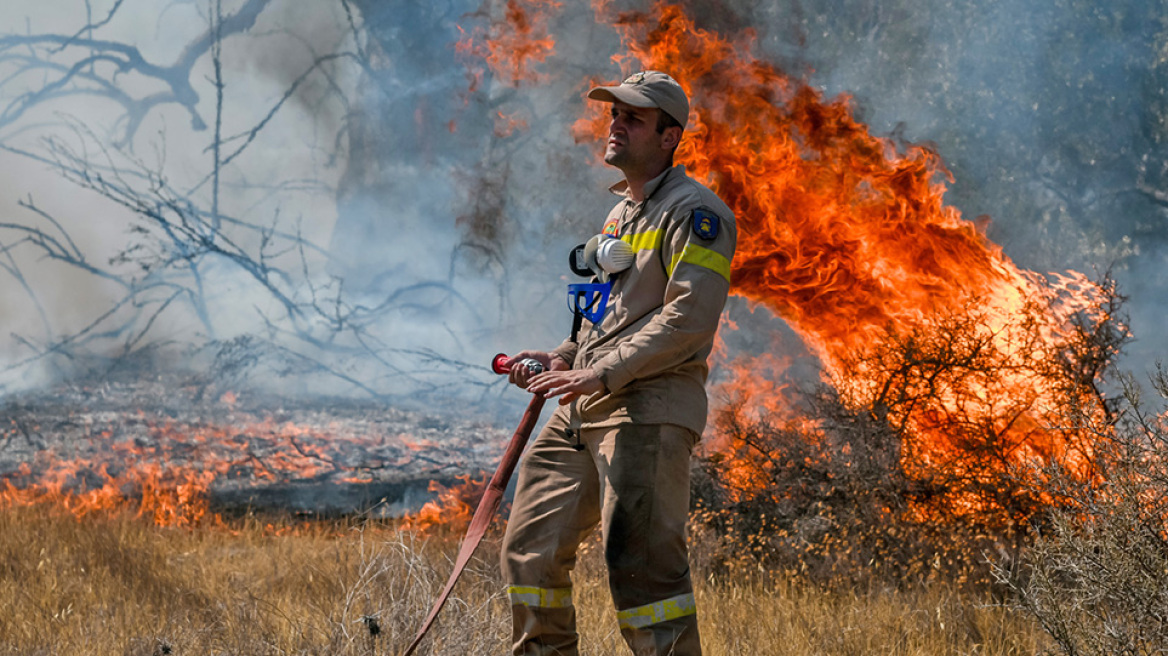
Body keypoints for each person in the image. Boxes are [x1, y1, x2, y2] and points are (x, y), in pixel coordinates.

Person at [500, 70, 737, 656]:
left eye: (633, 117)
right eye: (614, 115)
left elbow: (687, 321)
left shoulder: (697, 214)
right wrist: (556, 357)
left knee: (644, 574)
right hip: (583, 404)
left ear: (669, 136)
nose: (616, 126)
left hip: (646, 412)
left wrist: (597, 373)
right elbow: (609, 319)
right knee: (528, 550)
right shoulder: (620, 217)